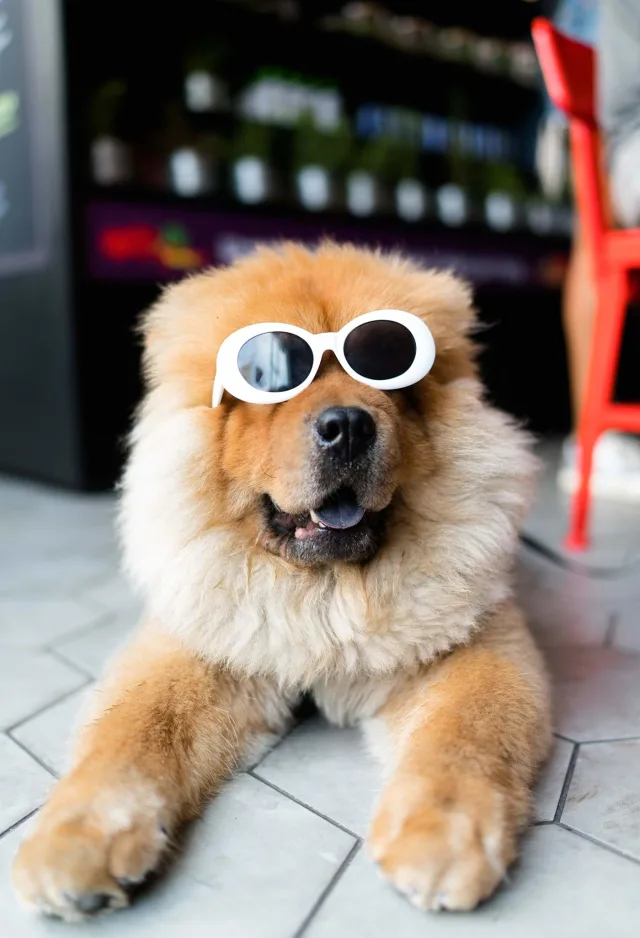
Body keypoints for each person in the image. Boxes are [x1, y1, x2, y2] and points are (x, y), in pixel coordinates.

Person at [555, 0, 640, 500]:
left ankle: (591, 441)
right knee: (592, 234)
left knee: (590, 238)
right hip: (623, 133)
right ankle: (592, 442)